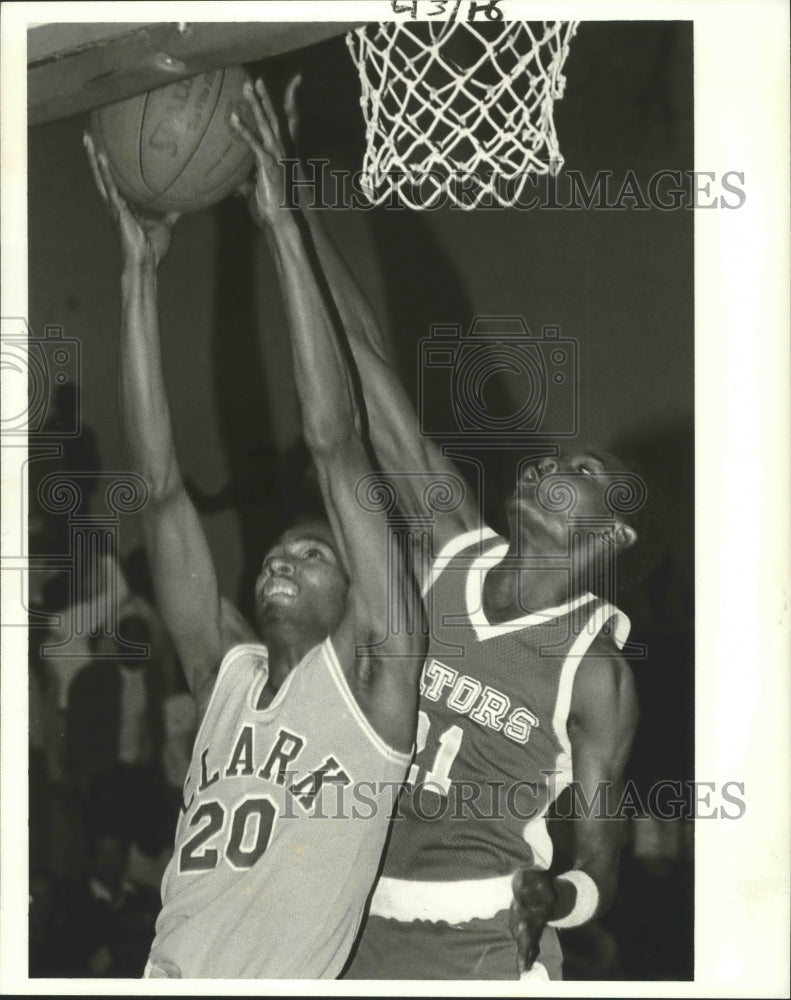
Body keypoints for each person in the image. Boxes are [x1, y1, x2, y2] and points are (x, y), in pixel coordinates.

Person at [247, 77, 642, 980]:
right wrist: (294, 203)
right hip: (352, 908)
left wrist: (562, 898)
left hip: (480, 940)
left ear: (611, 537)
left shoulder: (595, 670)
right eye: (547, 459)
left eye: (581, 471)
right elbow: (363, 355)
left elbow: (604, 862)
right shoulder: (452, 545)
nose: (547, 466)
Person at [82, 79, 426, 979]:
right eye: (281, 550)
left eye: (316, 554)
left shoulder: (378, 679)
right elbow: (158, 489)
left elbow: (335, 440)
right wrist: (137, 279)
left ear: (358, 593)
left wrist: (280, 226)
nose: (281, 556)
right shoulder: (221, 676)